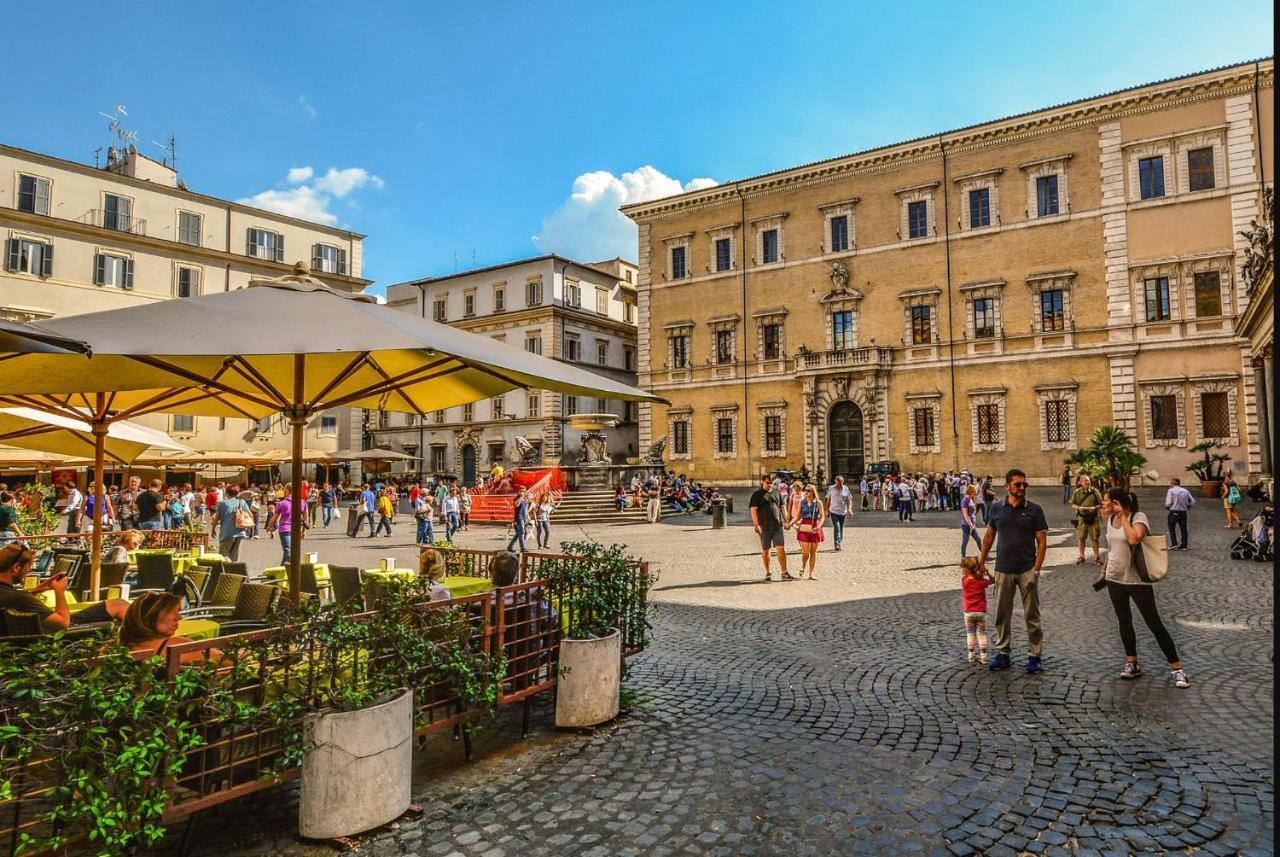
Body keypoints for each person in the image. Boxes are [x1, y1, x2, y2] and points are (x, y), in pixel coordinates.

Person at [1100, 487, 1189, 688]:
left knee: (1154, 624)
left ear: (1116, 503)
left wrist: (1123, 515)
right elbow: (1113, 548)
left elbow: (1133, 539)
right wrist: (1104, 570)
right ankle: (1132, 662)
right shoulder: (1110, 520)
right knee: (1124, 622)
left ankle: (1177, 669)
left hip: (1137, 580)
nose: (1103, 503)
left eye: (1106, 500)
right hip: (1115, 579)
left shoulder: (1138, 517)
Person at [977, 469, 1048, 673]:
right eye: (1018, 485)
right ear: (1008, 486)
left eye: (1024, 485)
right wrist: (982, 561)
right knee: (1002, 614)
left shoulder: (1035, 510)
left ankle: (1034, 655)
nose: (1022, 488)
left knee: (1032, 615)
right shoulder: (997, 508)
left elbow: (1042, 542)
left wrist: (1036, 569)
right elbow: (989, 536)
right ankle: (1003, 653)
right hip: (1003, 568)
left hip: (1027, 568)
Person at [0, 543, 128, 630]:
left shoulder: (10, 595)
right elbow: (63, 623)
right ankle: (141, 649)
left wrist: (36, 590)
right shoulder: (19, 598)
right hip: (57, 637)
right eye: (28, 567)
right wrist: (59, 591)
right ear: (16, 567)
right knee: (118, 605)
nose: (28, 571)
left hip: (23, 638)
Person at [118, 591, 206, 663]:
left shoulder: (112, 648)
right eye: (172, 612)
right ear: (152, 616)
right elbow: (217, 658)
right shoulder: (176, 645)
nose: (179, 617)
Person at [749, 473, 792, 582]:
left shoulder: (777, 492)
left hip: (777, 525)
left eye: (771, 483)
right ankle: (768, 572)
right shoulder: (757, 494)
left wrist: (787, 520)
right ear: (762, 482)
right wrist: (756, 525)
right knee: (766, 550)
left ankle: (784, 572)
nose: (769, 485)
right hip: (764, 527)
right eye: (767, 483)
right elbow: (753, 510)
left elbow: (782, 507)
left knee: (781, 548)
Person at [960, 556, 994, 664]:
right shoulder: (982, 582)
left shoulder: (964, 581)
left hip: (968, 613)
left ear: (966, 570)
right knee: (981, 634)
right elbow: (993, 581)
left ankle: (971, 655)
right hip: (981, 612)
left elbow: (967, 575)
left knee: (970, 634)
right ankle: (984, 656)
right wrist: (987, 573)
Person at [1069, 475, 1104, 566]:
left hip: (1093, 518)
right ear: (1080, 482)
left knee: (1095, 537)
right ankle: (1082, 556)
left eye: (1088, 481)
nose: (1087, 482)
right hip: (1082, 518)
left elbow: (1101, 504)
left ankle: (1097, 557)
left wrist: (1094, 507)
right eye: (1085, 481)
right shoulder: (1077, 492)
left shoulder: (1095, 491)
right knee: (1081, 537)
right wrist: (1080, 508)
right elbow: (1072, 504)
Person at [794, 484, 825, 579]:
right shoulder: (802, 502)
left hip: (815, 526)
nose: (806, 492)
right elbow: (797, 516)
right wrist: (790, 522)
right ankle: (803, 567)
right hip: (804, 526)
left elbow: (822, 516)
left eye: (808, 490)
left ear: (813, 492)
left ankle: (811, 573)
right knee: (805, 552)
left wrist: (819, 526)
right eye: (805, 490)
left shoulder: (818, 503)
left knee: (813, 552)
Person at [268, 487, 305, 565]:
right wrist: (303, 530)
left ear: (287, 491)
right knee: (289, 550)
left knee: (288, 550)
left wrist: (269, 526)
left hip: (284, 529)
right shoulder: (302, 502)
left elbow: (275, 517)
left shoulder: (281, 503)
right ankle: (282, 569)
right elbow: (306, 519)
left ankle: (295, 570)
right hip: (297, 529)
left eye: (285, 490)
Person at [215, 485, 250, 561]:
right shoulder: (242, 502)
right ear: (237, 493)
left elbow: (217, 517)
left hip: (227, 532)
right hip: (240, 532)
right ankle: (234, 571)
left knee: (225, 556)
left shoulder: (222, 503)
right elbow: (250, 515)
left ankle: (227, 571)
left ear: (226, 493)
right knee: (235, 557)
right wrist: (248, 528)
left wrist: (213, 528)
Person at [1164, 477, 1195, 551]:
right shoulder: (1185, 491)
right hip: (1183, 512)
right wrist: (1188, 507)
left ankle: (1174, 543)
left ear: (1172, 483)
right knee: (1183, 528)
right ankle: (1184, 545)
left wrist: (1167, 506)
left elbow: (1168, 502)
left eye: (1170, 483)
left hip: (1173, 511)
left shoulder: (1171, 491)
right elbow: (1193, 501)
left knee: (1171, 527)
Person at [825, 476, 852, 551]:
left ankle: (839, 542)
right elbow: (828, 500)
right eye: (838, 483)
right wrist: (826, 510)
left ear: (843, 482)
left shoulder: (846, 489)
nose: (839, 485)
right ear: (835, 482)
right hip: (833, 511)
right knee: (837, 527)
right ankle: (837, 544)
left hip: (843, 512)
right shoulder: (831, 488)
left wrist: (849, 509)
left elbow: (849, 500)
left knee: (841, 528)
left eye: (840, 483)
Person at [960, 484, 980, 557]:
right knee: (965, 541)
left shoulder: (971, 499)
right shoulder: (965, 501)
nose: (975, 493)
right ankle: (963, 556)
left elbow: (973, 511)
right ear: (971, 491)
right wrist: (970, 524)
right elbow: (965, 514)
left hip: (972, 524)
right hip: (966, 525)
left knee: (978, 539)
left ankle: (985, 556)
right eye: (975, 492)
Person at [507, 488, 529, 552]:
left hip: (523, 518)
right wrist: (520, 497)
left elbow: (525, 509)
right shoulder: (517, 498)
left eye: (524, 491)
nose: (522, 492)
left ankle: (510, 546)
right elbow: (516, 505)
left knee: (518, 533)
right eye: (521, 491)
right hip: (519, 518)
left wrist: (527, 517)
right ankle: (522, 548)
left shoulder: (524, 499)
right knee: (522, 532)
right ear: (518, 492)